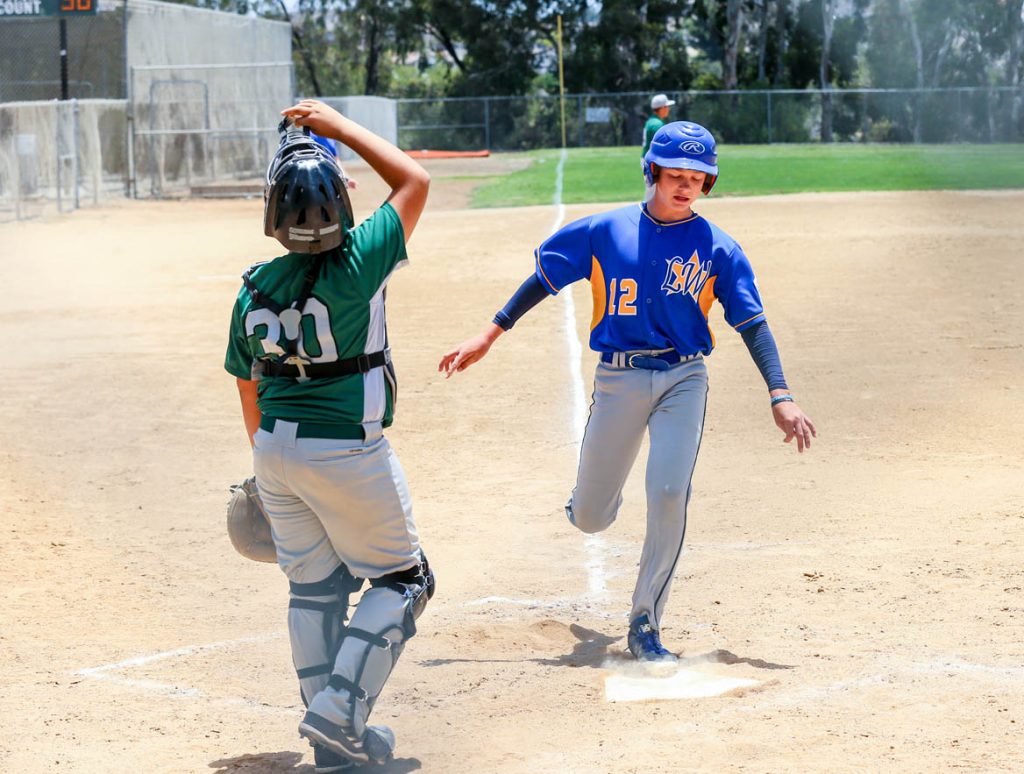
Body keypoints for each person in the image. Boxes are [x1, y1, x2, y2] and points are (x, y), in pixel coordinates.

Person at [438, 121, 816, 663]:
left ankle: (646, 622)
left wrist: (781, 394)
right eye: (674, 175)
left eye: (696, 177)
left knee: (667, 493)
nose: (685, 186)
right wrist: (491, 331)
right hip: (617, 378)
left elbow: (752, 323)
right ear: (652, 172)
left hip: (683, 377)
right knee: (591, 517)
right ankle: (587, 501)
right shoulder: (605, 231)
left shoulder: (718, 248)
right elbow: (544, 282)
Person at [224, 99, 433, 771]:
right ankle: (340, 712)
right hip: (345, 448)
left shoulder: (253, 288)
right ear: (341, 205)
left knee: (315, 588)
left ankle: (330, 742)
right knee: (405, 582)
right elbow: (414, 182)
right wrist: (337, 127)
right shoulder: (358, 262)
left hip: (276, 451)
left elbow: (246, 383)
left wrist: (263, 467)